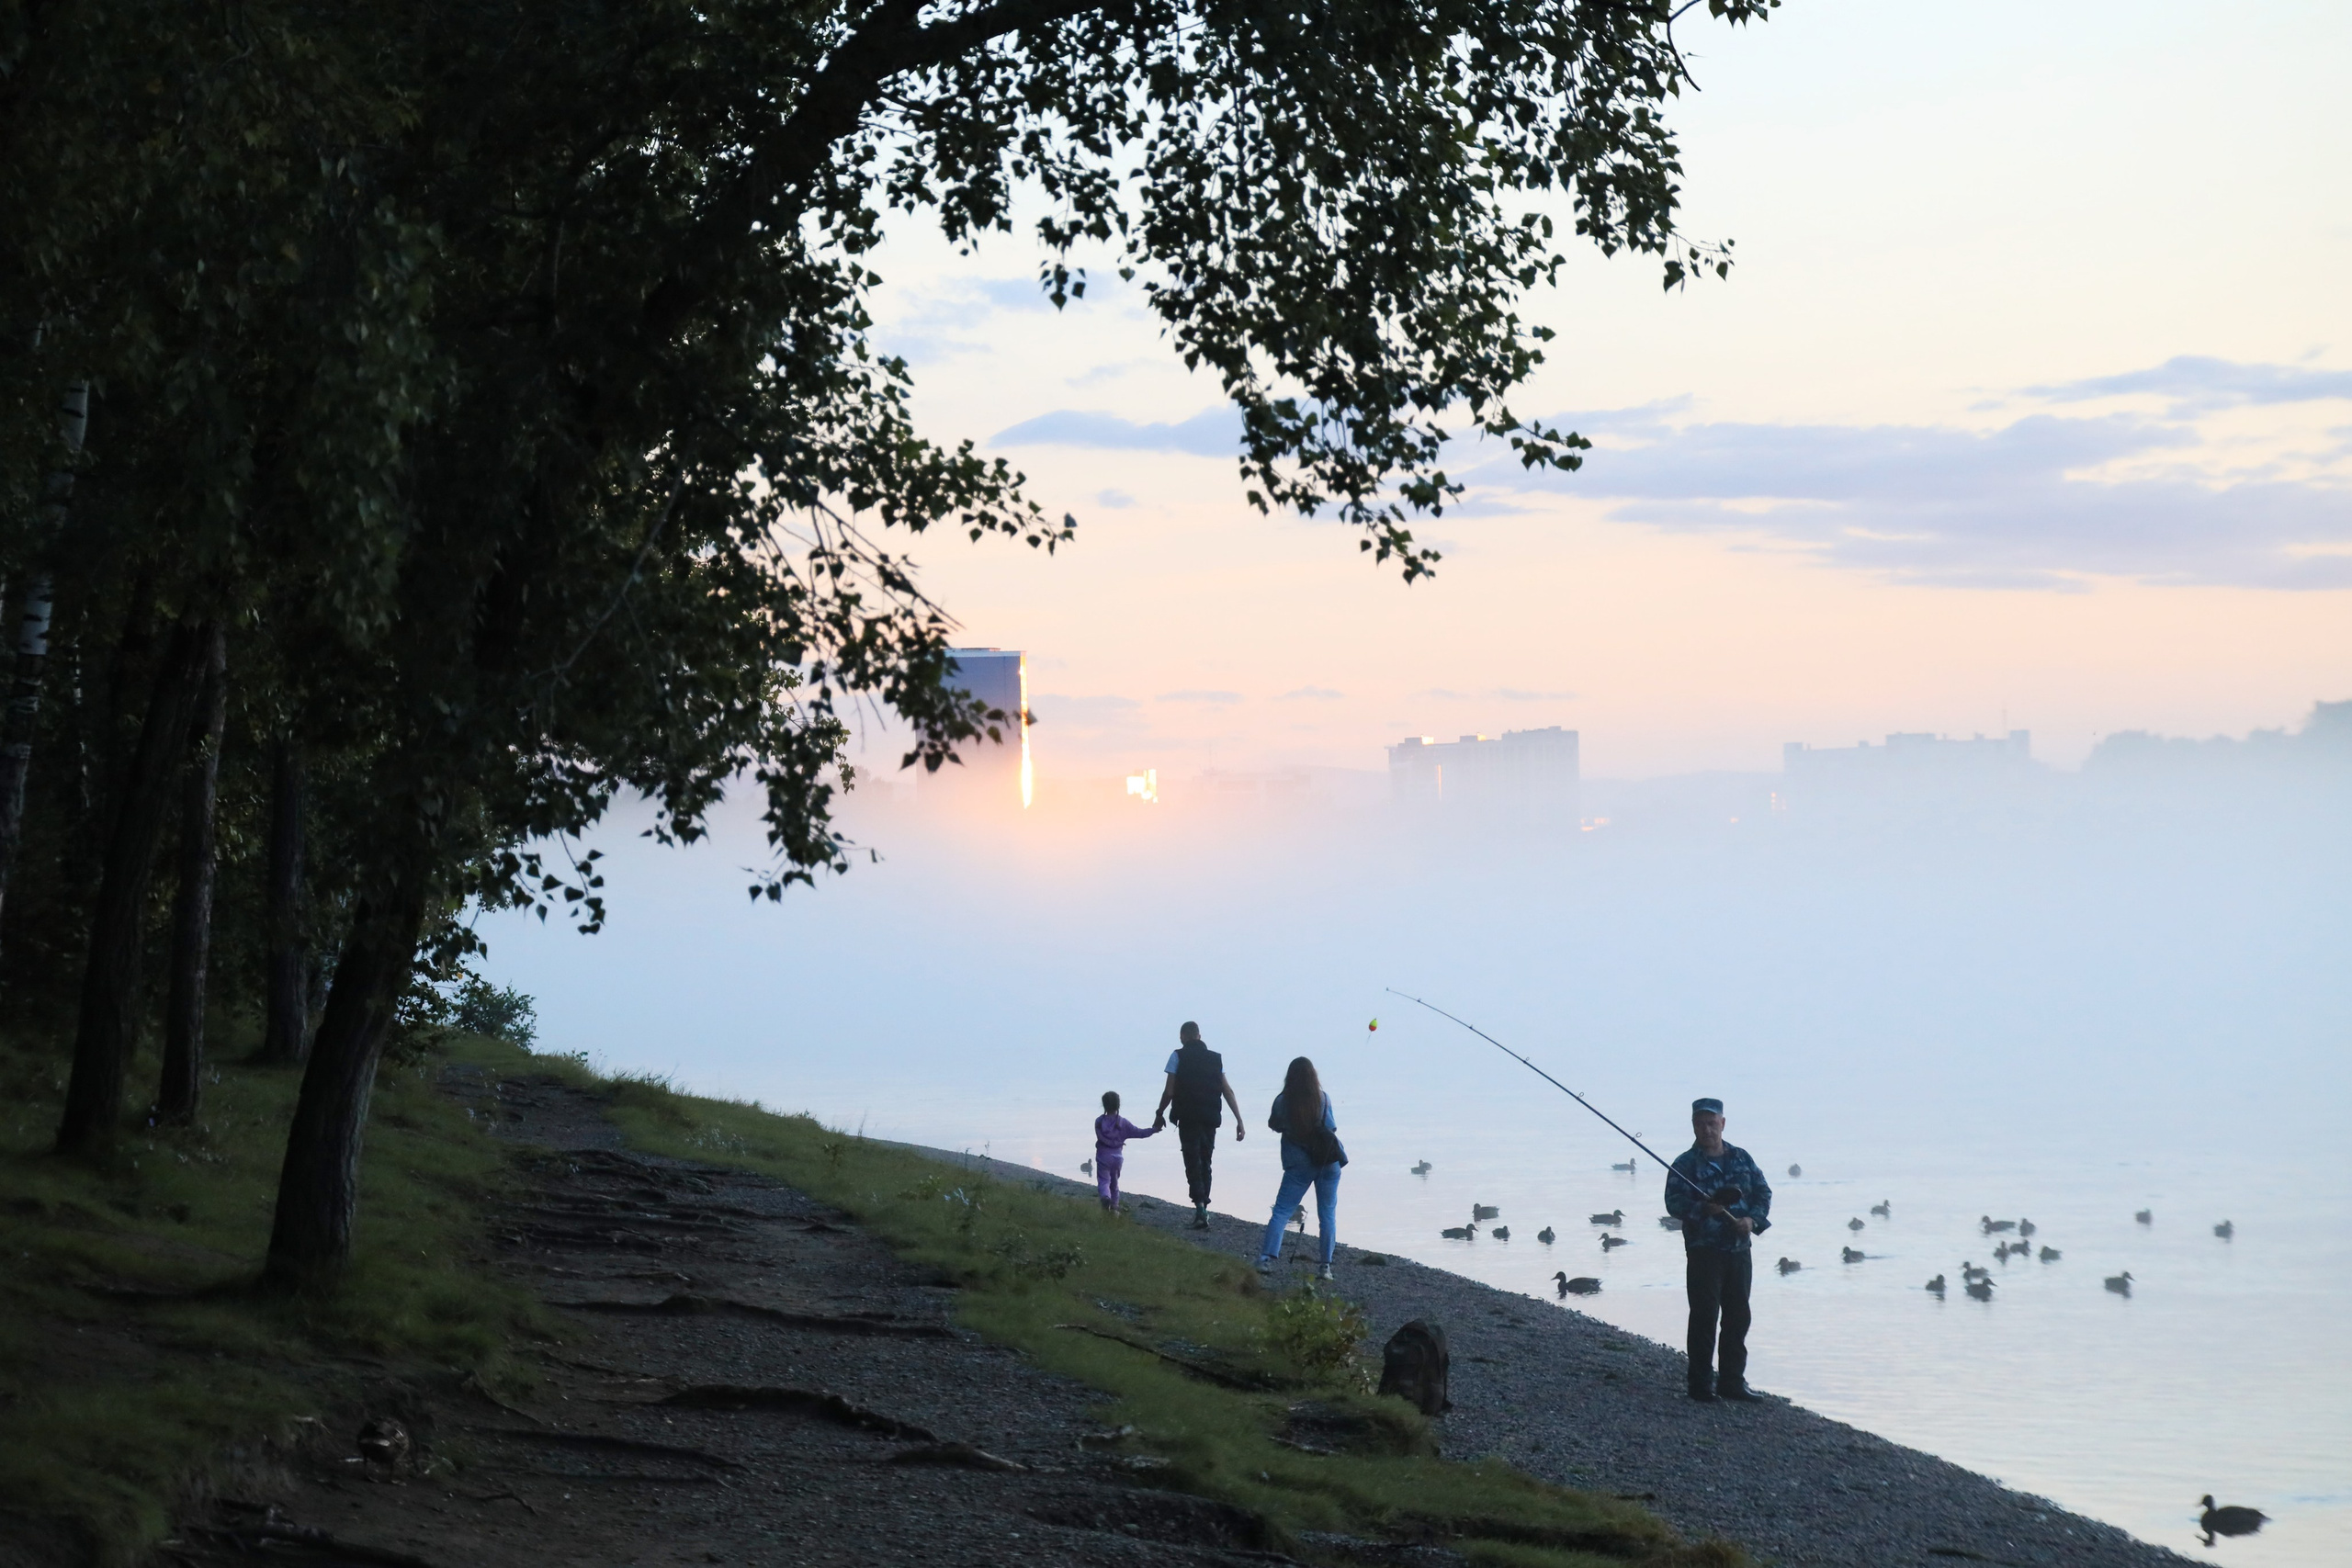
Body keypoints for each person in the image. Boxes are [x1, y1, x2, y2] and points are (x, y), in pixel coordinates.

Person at [1664, 1097, 1773, 1403]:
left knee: (1738, 1317)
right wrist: (1704, 1209)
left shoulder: (1742, 1158)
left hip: (1739, 1250)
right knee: (1704, 1316)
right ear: (1693, 1126)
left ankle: (1732, 1382)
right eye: (1700, 1124)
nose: (1707, 1129)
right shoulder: (1684, 1164)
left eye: (1712, 1123)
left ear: (1722, 1124)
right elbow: (1673, 1204)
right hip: (1703, 1251)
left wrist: (1752, 1220)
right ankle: (1699, 1386)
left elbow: (1763, 1193)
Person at [1256, 1055, 1347, 1280]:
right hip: (1328, 1162)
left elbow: (1273, 1124)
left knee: (1282, 1211)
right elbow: (1331, 1128)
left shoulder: (1283, 1100)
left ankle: (1266, 1260)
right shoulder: (1323, 1099)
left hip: (1299, 1165)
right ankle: (1325, 1267)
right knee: (1327, 1215)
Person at [1155, 1021, 1243, 1228]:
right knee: (1206, 1160)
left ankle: (1200, 1208)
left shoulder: (1177, 1055)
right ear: (1199, 1036)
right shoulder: (1215, 1059)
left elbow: (1170, 1091)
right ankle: (1204, 1206)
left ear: (1183, 1036)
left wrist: (1159, 1113)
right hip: (1209, 1119)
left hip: (1188, 1117)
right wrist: (1239, 1120)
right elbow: (1227, 1090)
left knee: (1192, 1161)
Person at [1091, 1091, 1161, 1213]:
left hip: (1103, 1155)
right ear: (1118, 1105)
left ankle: (1105, 1198)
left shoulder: (1099, 1122)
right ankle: (1114, 1206)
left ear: (1104, 1105)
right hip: (1118, 1157)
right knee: (1114, 1182)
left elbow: (1100, 1137)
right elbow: (1139, 1133)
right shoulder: (1123, 1123)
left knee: (1104, 1180)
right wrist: (1154, 1130)